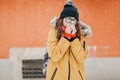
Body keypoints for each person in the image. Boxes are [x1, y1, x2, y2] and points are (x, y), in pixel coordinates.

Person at [46, 1, 92, 80]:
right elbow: (54, 56)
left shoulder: (81, 35)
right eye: (68, 19)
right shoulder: (54, 32)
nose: (71, 22)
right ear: (62, 20)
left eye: (73, 19)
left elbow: (82, 58)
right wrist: (66, 38)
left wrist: (74, 39)